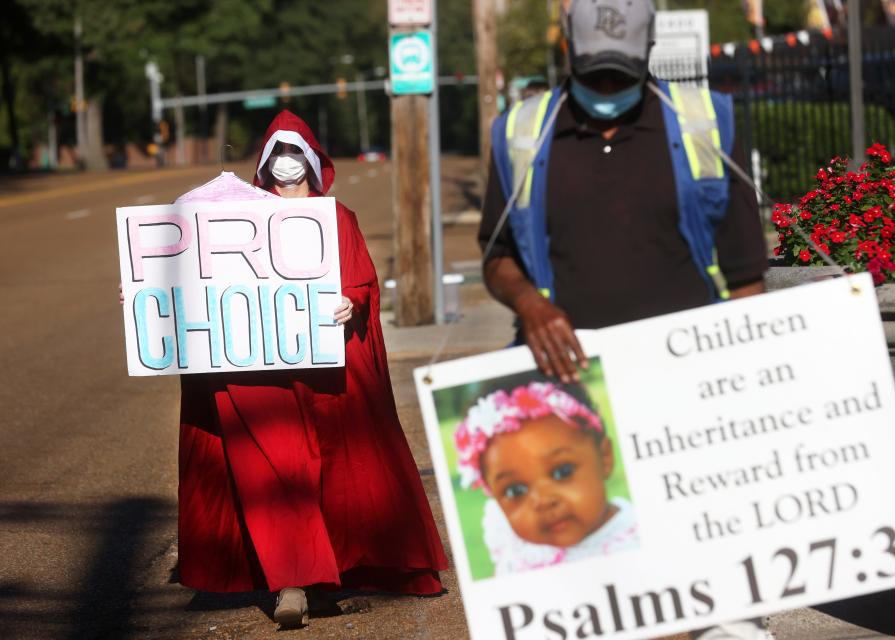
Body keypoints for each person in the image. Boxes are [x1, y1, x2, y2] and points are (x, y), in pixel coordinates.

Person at [479, 1, 769, 637]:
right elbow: (497, 255)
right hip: (573, 386)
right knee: (604, 570)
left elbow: (747, 272)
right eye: (594, 76)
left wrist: (736, 376)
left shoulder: (703, 123)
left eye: (620, 75)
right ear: (568, 57)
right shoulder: (521, 132)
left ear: (647, 58)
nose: (607, 91)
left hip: (687, 382)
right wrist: (530, 304)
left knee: (698, 559)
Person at [175, 110, 448, 627]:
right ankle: (291, 583)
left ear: (312, 161)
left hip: (325, 367)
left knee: (336, 468)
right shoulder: (229, 217)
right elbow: (183, 273)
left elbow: (361, 282)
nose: (285, 165)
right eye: (275, 154)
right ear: (263, 162)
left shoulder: (337, 217)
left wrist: (354, 302)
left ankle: (330, 576)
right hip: (256, 373)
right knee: (272, 473)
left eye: (294, 153)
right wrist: (144, 288)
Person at [455, 379, 639, 575]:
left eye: (562, 472)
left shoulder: (638, 537)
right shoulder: (515, 547)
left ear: (605, 457)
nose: (543, 500)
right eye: (515, 490)